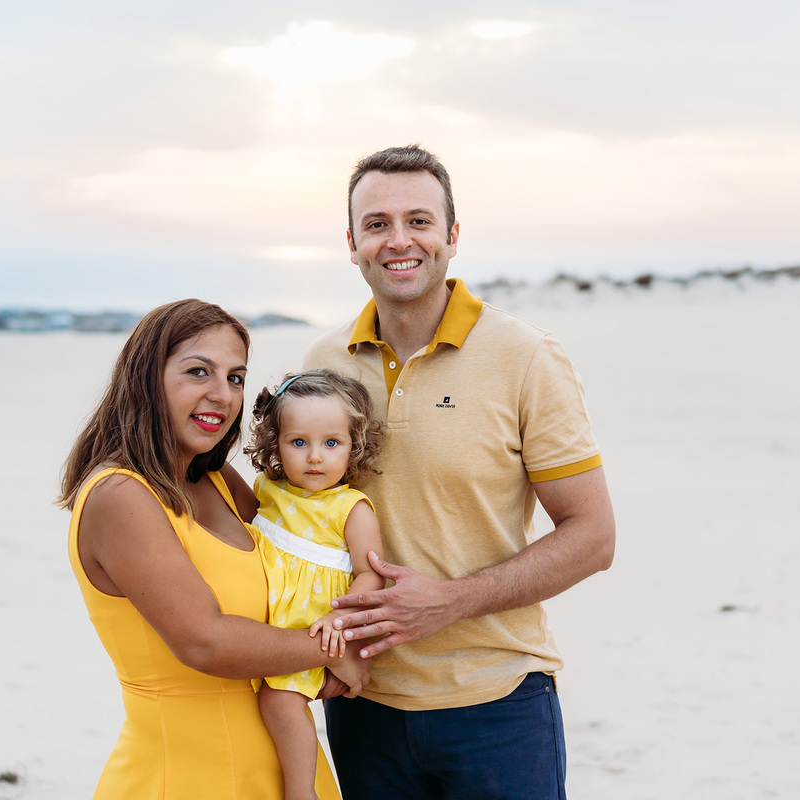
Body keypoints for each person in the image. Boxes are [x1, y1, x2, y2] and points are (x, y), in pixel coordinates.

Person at [303, 144, 617, 798]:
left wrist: (450, 602)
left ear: (451, 236)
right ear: (353, 244)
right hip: (363, 705)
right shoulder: (324, 362)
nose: (399, 240)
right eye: (377, 224)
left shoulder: (525, 356)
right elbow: (294, 515)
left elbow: (593, 536)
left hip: (497, 702)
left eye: (418, 220)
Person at [59, 299, 368, 799]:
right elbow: (206, 641)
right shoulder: (121, 496)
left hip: (287, 774)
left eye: (236, 378)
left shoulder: (216, 477)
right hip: (185, 777)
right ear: (145, 377)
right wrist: (334, 650)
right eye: (198, 371)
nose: (222, 395)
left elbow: (301, 557)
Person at [242, 369, 385, 800]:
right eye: (298, 442)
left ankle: (301, 792)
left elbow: (372, 571)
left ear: (353, 447)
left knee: (279, 703)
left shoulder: (350, 507)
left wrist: (340, 618)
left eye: (331, 443)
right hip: (269, 626)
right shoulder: (267, 489)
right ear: (276, 445)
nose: (315, 457)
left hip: (313, 627)